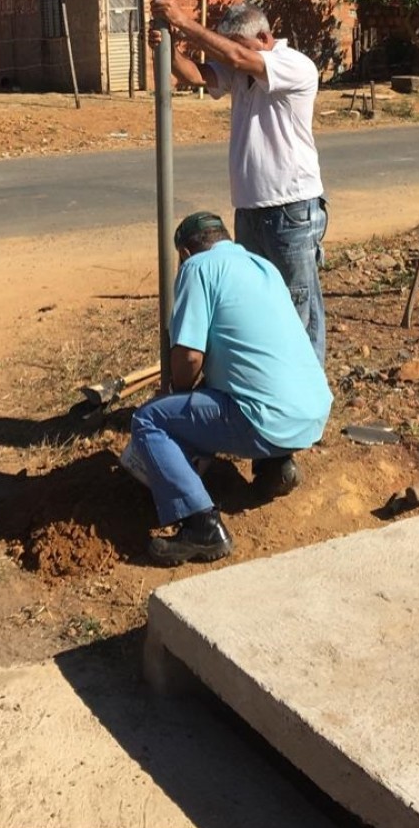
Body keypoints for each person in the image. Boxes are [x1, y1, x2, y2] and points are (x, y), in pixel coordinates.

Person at [128, 211, 333, 567]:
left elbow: (189, 357)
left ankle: (202, 526)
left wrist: (177, 393)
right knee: (251, 383)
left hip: (265, 420)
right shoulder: (261, 266)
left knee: (150, 421)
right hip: (312, 413)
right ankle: (276, 468)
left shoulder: (198, 268)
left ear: (186, 254)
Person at [150, 0, 328, 365]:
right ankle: (270, 381)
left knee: (299, 306)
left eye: (241, 47)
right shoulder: (243, 69)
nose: (234, 55)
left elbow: (233, 57)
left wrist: (183, 22)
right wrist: (168, 47)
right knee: (260, 303)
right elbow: (195, 75)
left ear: (264, 38)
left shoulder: (293, 65)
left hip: (290, 209)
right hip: (250, 208)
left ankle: (306, 389)